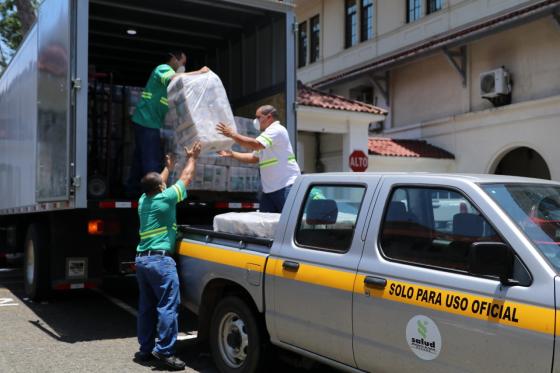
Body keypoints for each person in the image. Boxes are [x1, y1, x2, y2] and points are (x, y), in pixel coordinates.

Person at [134, 141, 201, 371]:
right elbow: (187, 178)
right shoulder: (165, 199)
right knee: (167, 307)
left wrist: (167, 167)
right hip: (160, 262)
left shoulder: (143, 200)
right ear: (161, 188)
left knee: (147, 307)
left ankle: (145, 350)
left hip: (142, 260)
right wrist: (192, 157)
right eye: (163, 183)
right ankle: (165, 353)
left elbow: (158, 182)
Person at [127, 51, 208, 196]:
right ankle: (153, 195)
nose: (183, 66)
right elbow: (175, 78)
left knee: (140, 158)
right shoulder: (163, 69)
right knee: (151, 160)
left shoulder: (169, 82)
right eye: (183, 62)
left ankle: (132, 191)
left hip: (147, 121)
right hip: (147, 121)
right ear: (174, 59)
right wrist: (199, 72)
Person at [216, 105, 301, 213]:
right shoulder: (266, 136)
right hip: (269, 190)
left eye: (258, 117)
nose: (255, 121)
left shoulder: (277, 130)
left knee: (288, 222)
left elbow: (256, 145)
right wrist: (232, 154)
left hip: (285, 186)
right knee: (267, 224)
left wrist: (233, 134)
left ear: (269, 117)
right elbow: (254, 158)